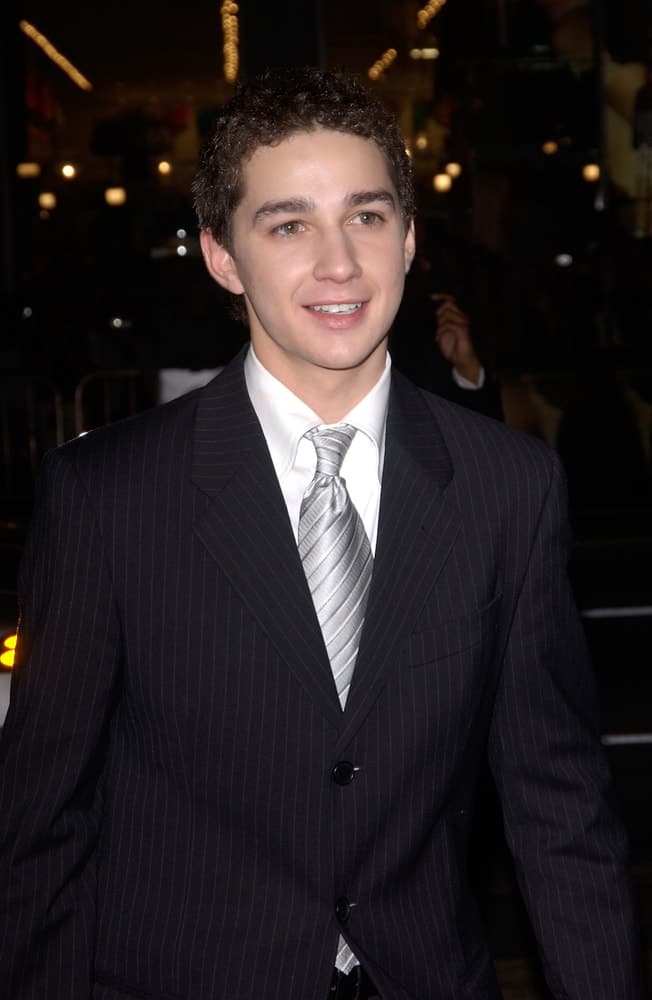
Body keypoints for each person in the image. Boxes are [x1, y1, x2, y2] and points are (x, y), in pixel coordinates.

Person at [0, 67, 647, 1000]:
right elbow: (38, 829)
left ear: (412, 239)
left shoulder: (510, 488)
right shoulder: (107, 498)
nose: (339, 263)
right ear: (223, 255)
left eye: (368, 217)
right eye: (290, 223)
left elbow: (560, 809)